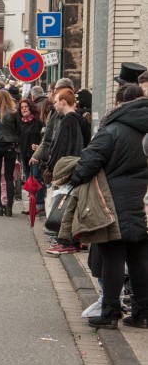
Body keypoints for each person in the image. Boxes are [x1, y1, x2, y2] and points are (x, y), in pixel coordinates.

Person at [65, 93, 148, 329]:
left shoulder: (113, 129)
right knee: (139, 257)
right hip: (141, 198)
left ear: (120, 104)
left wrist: (75, 180)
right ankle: (142, 313)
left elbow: (91, 159)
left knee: (112, 255)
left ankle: (110, 313)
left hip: (112, 199)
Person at [44, 88, 91, 255]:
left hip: (67, 167)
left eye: (56, 101)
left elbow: (60, 146)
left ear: (63, 101)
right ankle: (71, 240)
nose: (55, 105)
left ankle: (66, 240)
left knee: (64, 204)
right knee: (72, 204)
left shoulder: (67, 121)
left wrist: (51, 167)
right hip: (77, 166)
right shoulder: (80, 120)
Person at [0, 89, 20, 217]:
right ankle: (9, 208)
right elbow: (18, 130)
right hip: (9, 146)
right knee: (8, 177)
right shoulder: (13, 113)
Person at [17, 98, 43, 214]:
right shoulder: (20, 123)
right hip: (25, 154)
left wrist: (39, 146)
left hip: (36, 155)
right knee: (29, 180)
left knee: (36, 178)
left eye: (26, 107)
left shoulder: (38, 121)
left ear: (31, 108)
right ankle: (32, 206)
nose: (24, 109)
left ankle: (39, 204)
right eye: (22, 107)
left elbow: (44, 137)